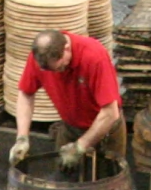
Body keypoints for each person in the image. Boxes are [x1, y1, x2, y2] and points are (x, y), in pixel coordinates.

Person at [9, 29, 124, 172]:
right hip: (70, 127)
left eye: (60, 68)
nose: (57, 74)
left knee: (107, 183)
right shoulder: (40, 58)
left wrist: (80, 146)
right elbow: (26, 94)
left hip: (105, 129)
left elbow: (110, 113)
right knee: (63, 181)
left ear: (67, 49)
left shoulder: (94, 56)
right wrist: (22, 138)